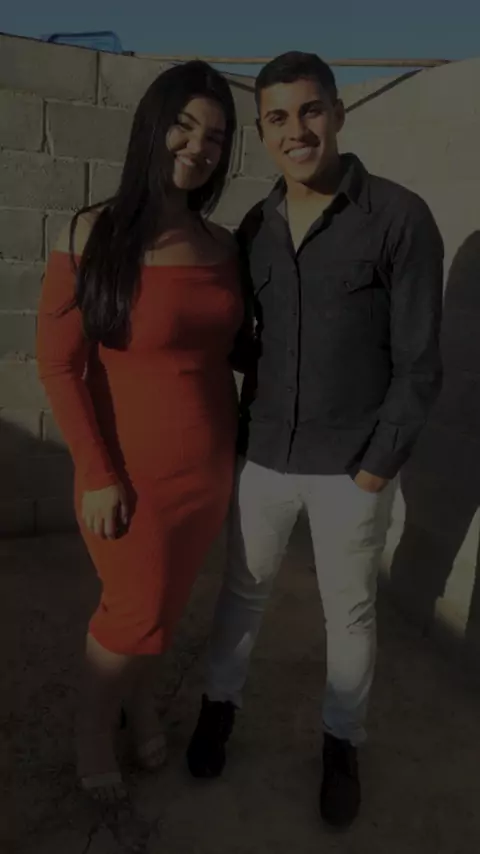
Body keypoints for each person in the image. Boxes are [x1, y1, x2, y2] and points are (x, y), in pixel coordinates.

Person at [187, 51, 444, 828]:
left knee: (350, 612)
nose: (295, 130)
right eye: (277, 117)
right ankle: (218, 710)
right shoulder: (255, 227)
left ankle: (341, 744)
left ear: (336, 112)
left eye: (309, 111)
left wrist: (377, 467)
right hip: (265, 455)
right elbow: (242, 341)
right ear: (262, 131)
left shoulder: (398, 217)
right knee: (242, 594)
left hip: (351, 468)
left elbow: (420, 362)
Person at [36, 60, 243, 807]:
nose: (197, 148)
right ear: (152, 128)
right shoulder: (92, 232)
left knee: (166, 607)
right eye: (184, 127)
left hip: (206, 473)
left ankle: (141, 701)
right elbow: (59, 364)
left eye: (215, 137)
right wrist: (97, 473)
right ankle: (93, 726)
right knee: (131, 610)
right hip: (128, 475)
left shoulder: (222, 244)